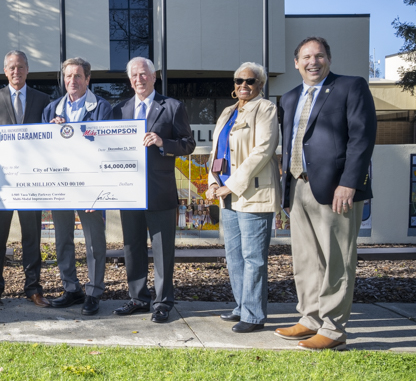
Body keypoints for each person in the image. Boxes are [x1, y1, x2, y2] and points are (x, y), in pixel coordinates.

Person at [274, 37, 377, 350]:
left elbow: (362, 138)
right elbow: (291, 143)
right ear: (296, 63)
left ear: (328, 59)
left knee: (336, 259)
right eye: (306, 56)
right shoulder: (290, 98)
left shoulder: (350, 87)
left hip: (337, 189)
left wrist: (349, 182)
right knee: (306, 260)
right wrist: (287, 191)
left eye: (319, 56)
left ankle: (333, 329)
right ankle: (310, 319)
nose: (312, 62)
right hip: (299, 187)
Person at [111, 57, 195, 323]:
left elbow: (188, 144)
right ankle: (138, 297)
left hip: (160, 191)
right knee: (132, 247)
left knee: (162, 250)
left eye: (144, 74)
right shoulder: (119, 110)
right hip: (129, 192)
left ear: (154, 76)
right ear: (129, 79)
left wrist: (163, 142)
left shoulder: (171, 107)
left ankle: (162, 302)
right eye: (134, 75)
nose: (139, 79)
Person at [205, 62, 281, 334]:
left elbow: (262, 151)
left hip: (253, 193)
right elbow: (218, 152)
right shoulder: (227, 112)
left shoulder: (266, 109)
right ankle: (242, 306)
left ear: (260, 85)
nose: (244, 85)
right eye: (239, 80)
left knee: (253, 257)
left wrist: (232, 185)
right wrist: (214, 182)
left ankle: (254, 314)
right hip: (226, 195)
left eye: (250, 81)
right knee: (234, 255)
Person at [41, 57, 111, 314]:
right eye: (68, 76)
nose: (73, 81)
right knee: (63, 239)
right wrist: (51, 131)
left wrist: (100, 190)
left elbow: (106, 148)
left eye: (78, 76)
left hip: (89, 186)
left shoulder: (102, 107)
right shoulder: (51, 110)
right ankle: (71, 288)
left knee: (94, 241)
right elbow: (43, 148)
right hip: (60, 184)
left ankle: (94, 292)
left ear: (88, 79)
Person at [0, 51, 49, 307]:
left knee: (32, 236)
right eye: (11, 67)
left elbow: (48, 134)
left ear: (27, 70)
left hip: (31, 180)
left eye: (20, 67)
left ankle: (33, 288)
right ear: (5, 71)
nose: (16, 71)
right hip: (2, 182)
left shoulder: (43, 99)